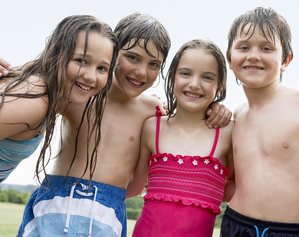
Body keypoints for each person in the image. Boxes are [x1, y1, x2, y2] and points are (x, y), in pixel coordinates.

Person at [12, 13, 231, 237]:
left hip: (107, 214)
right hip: (55, 202)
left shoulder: (152, 112)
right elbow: (37, 82)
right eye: (132, 58)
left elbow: (184, 120)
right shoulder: (80, 94)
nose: (140, 71)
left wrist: (214, 108)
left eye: (153, 64)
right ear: (113, 53)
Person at [221, 7, 299, 236]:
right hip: (235, 225)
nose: (253, 55)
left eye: (266, 48)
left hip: (292, 231)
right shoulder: (236, 115)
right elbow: (232, 185)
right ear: (230, 58)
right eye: (243, 47)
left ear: (285, 59)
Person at [127, 39, 234, 237]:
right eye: (185, 73)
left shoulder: (229, 133)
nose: (194, 84)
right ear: (173, 76)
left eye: (207, 77)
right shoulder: (152, 127)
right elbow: (134, 186)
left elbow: (238, 189)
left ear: (219, 86)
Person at [0, 15, 117, 184]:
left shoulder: (46, 93)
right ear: (57, 54)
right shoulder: (35, 99)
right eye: (81, 60)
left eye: (102, 68)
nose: (91, 76)